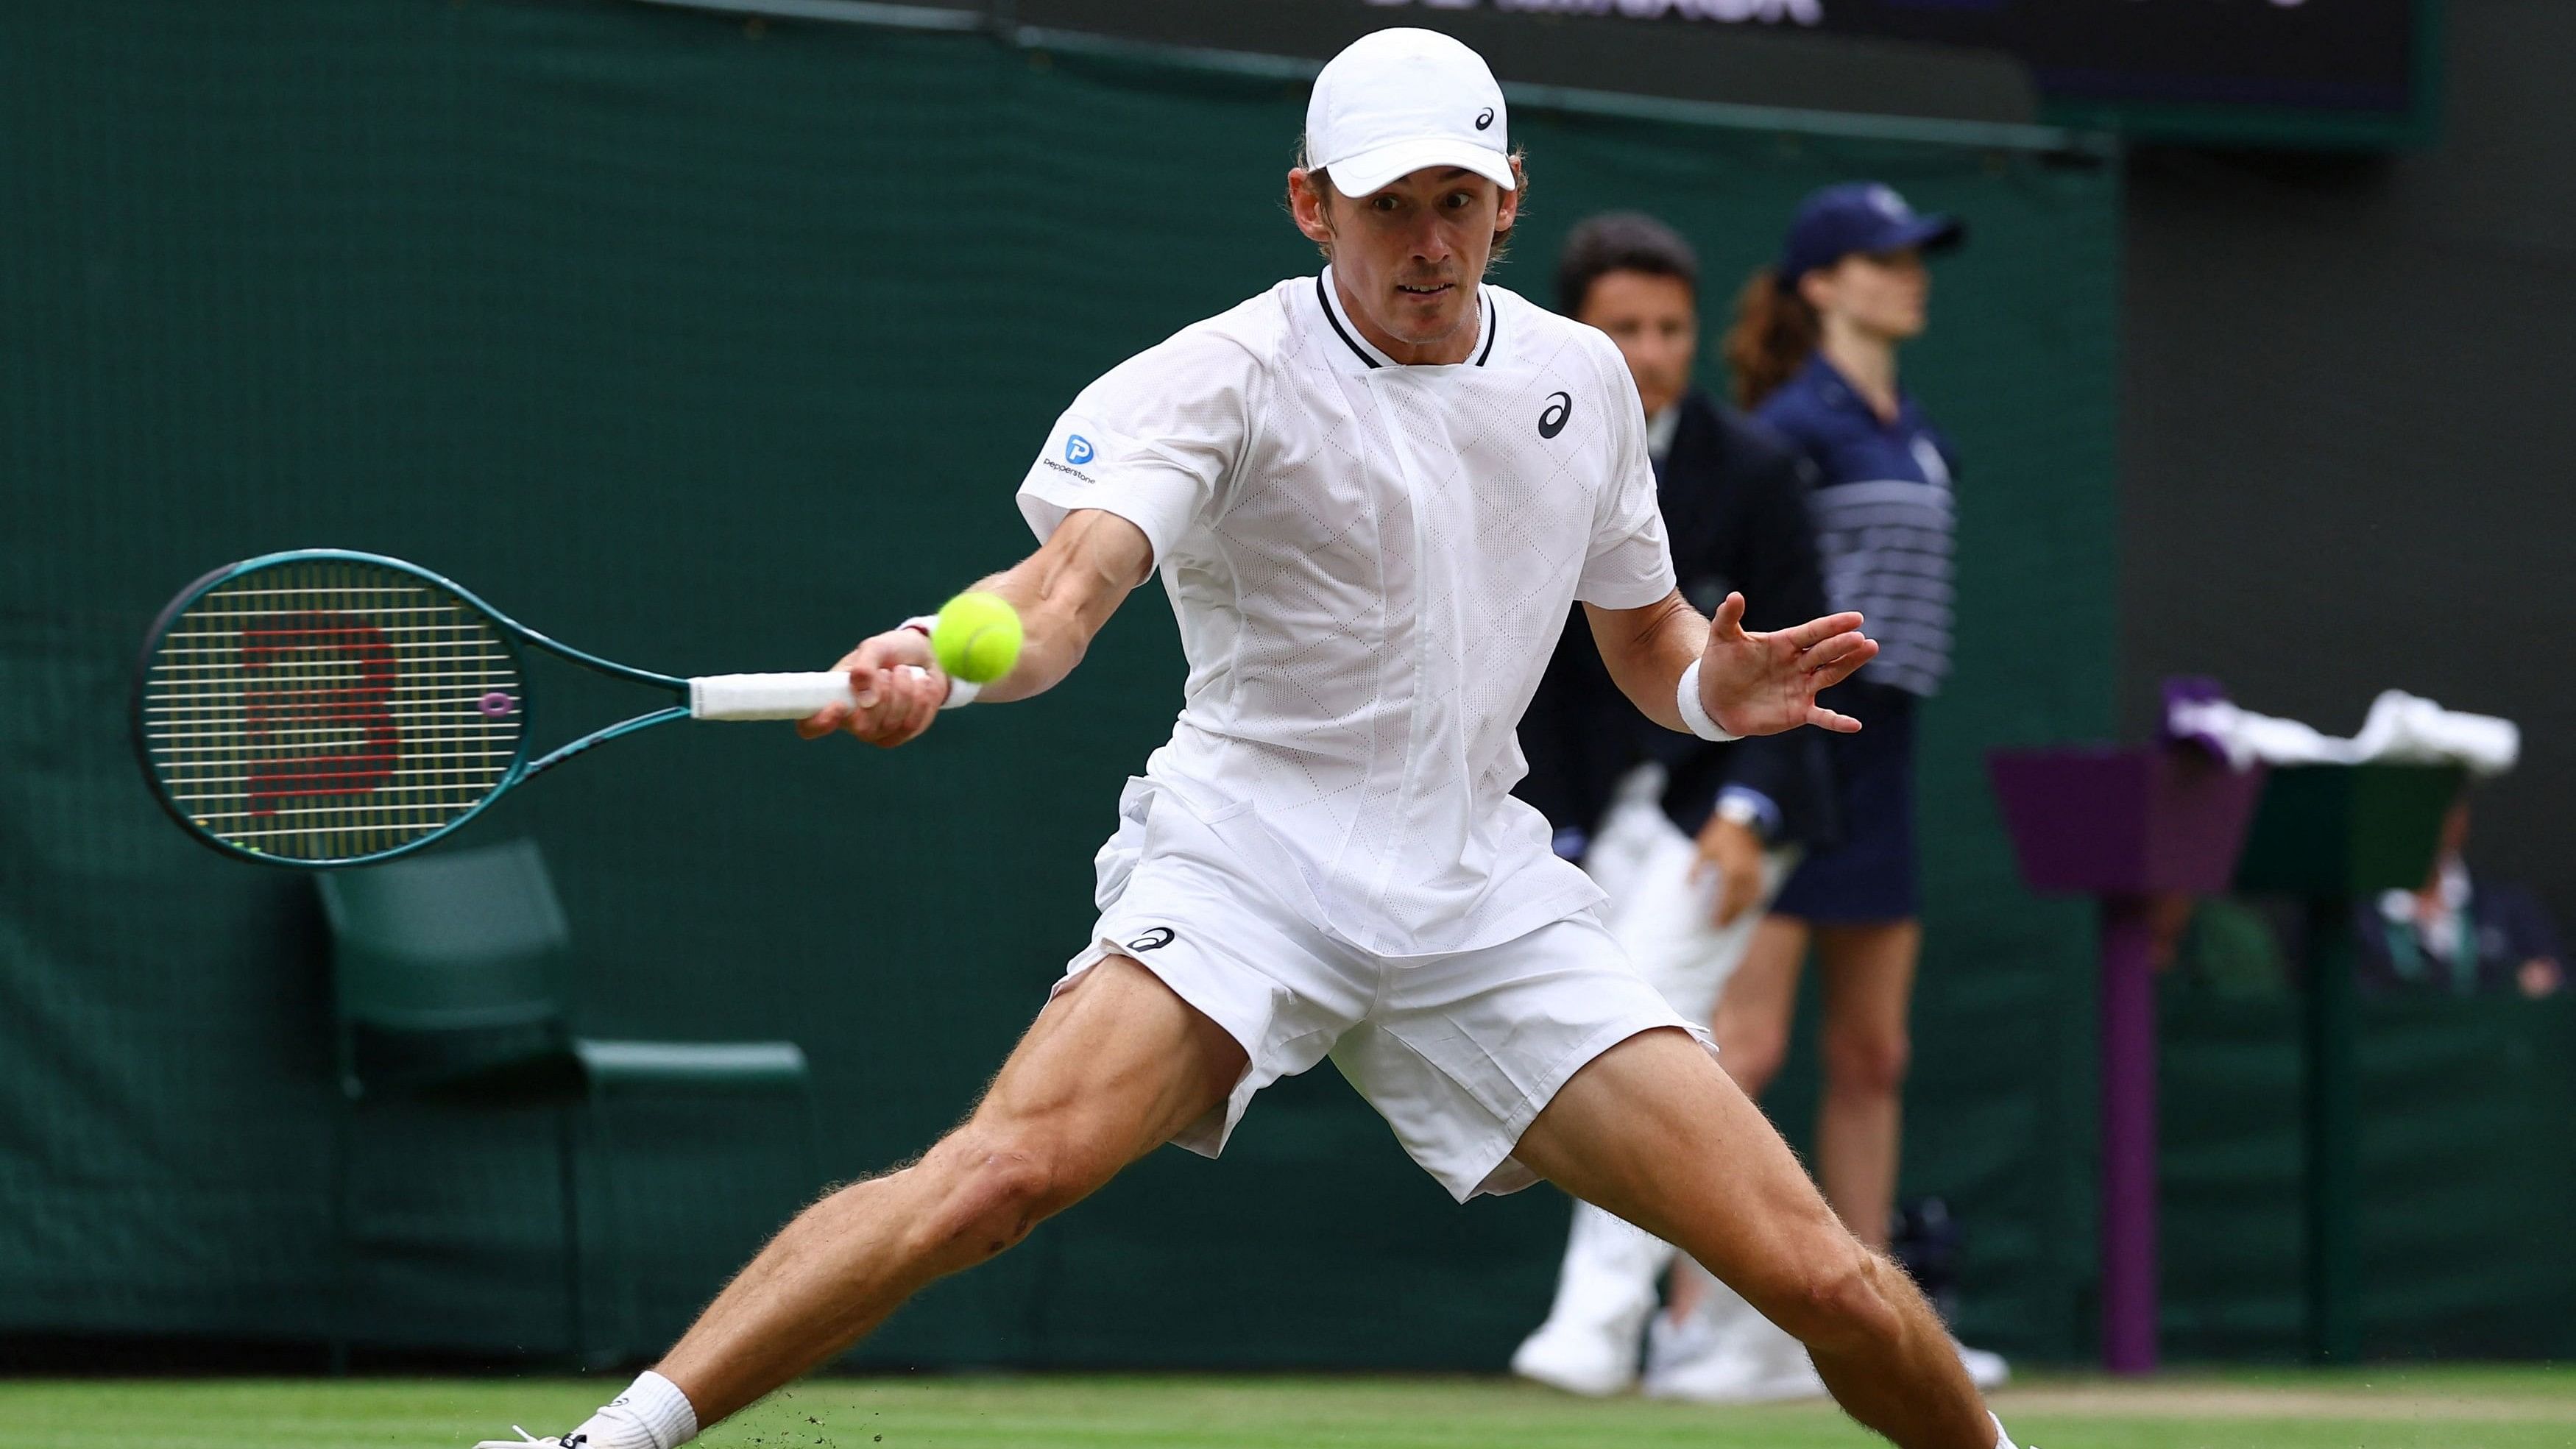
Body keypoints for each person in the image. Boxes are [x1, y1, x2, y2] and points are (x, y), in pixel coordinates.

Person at [478, 32, 2024, 1449]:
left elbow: (1642, 638)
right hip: (1250, 863)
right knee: (996, 1180)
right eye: (1386, 205)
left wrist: (1712, 690)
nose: (1427, 241)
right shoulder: (1217, 379)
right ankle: (611, 1443)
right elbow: (1066, 588)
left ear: (1509, 200)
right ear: (1307, 205)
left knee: (1819, 1274)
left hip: (1479, 890)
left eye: (1458, 201)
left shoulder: (1581, 380)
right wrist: (939, 668)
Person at [1649, 182, 2009, 1403]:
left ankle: (1884, 1319)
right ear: (1820, 282)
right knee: (1738, 1043)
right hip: (1797, 748)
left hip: (1891, 748)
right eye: (1880, 258)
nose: (1909, 275)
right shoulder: (1788, 429)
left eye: (1915, 256)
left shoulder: (1921, 432)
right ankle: (1692, 1318)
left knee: (1874, 1049)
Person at [1507, 211, 1837, 1398]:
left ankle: (1593, 1330)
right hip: (1583, 822)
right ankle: (1767, 1330)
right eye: (1623, 329)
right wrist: (1561, 840)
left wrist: (1746, 813)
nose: (1649, 351)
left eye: (1669, 328)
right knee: (1667, 1059)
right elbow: (1528, 676)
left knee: (1636, 1031)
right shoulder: (1526, 458)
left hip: (1725, 815)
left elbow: (1792, 665)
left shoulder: (1754, 472)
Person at [2357, 795, 2566, 999]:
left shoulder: (2508, 903)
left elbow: (2560, 983)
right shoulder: (2354, 918)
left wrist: (2541, 981)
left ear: (2460, 819)